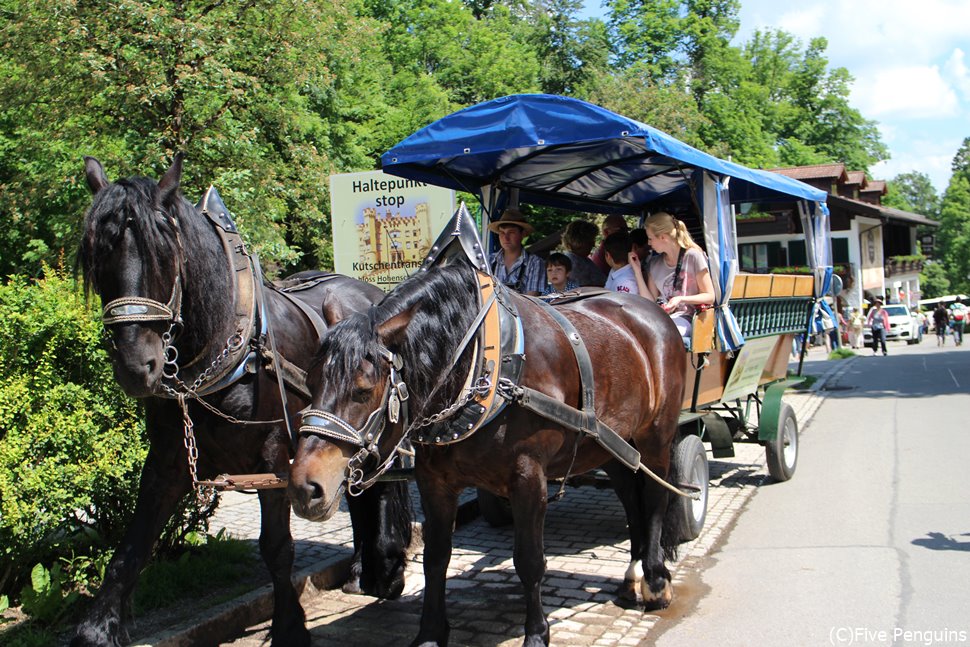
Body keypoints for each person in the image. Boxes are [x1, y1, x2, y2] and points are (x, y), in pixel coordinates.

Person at [629, 212, 715, 340]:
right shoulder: (654, 263)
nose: (649, 243)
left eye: (651, 238)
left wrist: (681, 299)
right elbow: (649, 302)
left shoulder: (693, 256)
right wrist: (637, 271)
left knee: (662, 334)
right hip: (665, 319)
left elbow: (710, 296)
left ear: (663, 237)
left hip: (691, 318)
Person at [488, 207, 546, 296]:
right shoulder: (488, 261)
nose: (506, 237)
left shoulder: (535, 263)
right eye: (502, 233)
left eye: (511, 232)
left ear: (522, 234)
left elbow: (532, 300)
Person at [561, 220, 606, 287]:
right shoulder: (572, 264)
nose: (593, 245)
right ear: (579, 241)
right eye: (590, 242)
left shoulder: (581, 259)